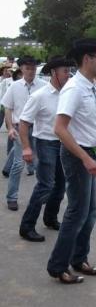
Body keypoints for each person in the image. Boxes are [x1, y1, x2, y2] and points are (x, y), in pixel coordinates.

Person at [47, 38, 96, 284]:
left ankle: (79, 258)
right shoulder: (74, 89)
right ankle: (58, 266)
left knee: (90, 212)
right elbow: (60, 128)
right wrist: (86, 158)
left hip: (86, 153)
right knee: (77, 212)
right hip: (76, 156)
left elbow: (90, 126)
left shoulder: (91, 87)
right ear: (87, 59)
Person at [18, 56, 75, 242]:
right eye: (65, 71)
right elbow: (24, 123)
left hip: (63, 144)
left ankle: (50, 218)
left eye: (69, 71)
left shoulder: (69, 93)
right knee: (45, 185)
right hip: (45, 144)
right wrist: (26, 148)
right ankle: (27, 226)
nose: (69, 74)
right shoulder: (39, 95)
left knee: (59, 187)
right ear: (53, 73)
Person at [1, 56, 46, 211]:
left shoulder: (43, 85)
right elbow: (8, 107)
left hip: (39, 128)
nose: (31, 71)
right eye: (28, 68)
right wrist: (10, 127)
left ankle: (43, 194)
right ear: (21, 69)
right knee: (18, 164)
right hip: (21, 128)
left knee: (41, 163)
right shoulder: (14, 87)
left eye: (33, 68)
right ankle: (12, 197)